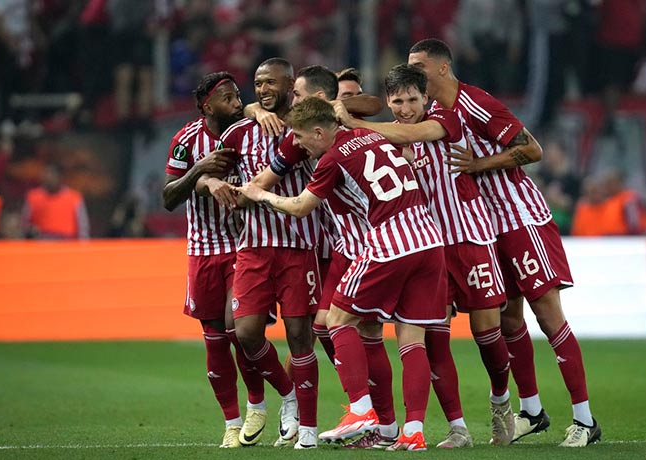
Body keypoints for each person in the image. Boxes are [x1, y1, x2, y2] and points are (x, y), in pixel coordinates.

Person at [408, 38, 601, 447]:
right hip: (485, 226)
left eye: (419, 66)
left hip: (519, 217)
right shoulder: (436, 112)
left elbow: (532, 149)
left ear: (442, 68)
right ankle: (531, 410)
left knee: (548, 316)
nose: (415, 73)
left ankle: (585, 419)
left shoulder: (474, 102)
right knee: (510, 320)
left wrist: (479, 165)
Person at [236, 96, 446, 451]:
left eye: (301, 137)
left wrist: (261, 195)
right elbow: (408, 157)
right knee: (412, 341)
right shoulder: (372, 136)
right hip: (429, 240)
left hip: (389, 242)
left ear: (320, 132)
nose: (298, 144)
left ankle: (361, 409)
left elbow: (301, 207)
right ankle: (412, 431)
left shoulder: (333, 158)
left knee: (336, 318)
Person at [335, 63, 514, 448]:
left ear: (425, 98)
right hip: (424, 245)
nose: (404, 108)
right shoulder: (389, 139)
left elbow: (409, 131)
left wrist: (355, 124)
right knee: (433, 340)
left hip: (469, 237)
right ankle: (458, 428)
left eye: (412, 99)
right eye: (396, 101)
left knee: (487, 334)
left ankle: (501, 398)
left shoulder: (444, 119)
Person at [162, 71, 292, 449]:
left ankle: (269, 401)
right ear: (207, 105)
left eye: (239, 95)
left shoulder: (250, 128)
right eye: (228, 97)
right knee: (215, 341)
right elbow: (169, 196)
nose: (238, 102)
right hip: (202, 250)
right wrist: (201, 173)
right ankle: (232, 424)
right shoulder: (186, 140)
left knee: (241, 331)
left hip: (244, 245)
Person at [196, 58, 318, 450]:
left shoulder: (304, 127)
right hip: (253, 248)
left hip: (300, 244)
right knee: (244, 332)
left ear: (289, 84)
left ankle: (308, 424)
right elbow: (207, 173)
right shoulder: (239, 132)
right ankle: (288, 396)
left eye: (270, 83)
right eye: (258, 84)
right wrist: (216, 184)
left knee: (300, 336)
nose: (262, 90)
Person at [22, 164, 90, 240]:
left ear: (60, 178)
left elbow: (83, 228)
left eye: (52, 176)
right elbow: (24, 223)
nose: (49, 179)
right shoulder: (34, 197)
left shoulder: (74, 198)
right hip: (41, 242)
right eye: (47, 176)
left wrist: (82, 247)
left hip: (67, 243)